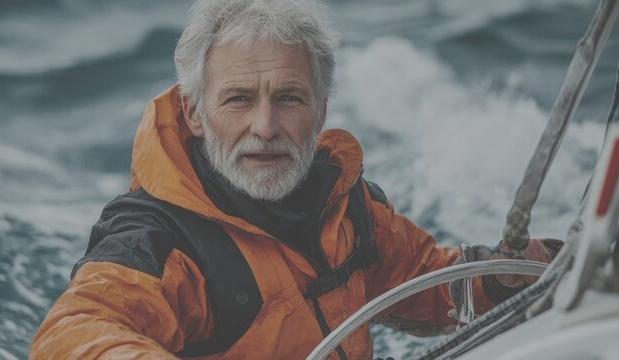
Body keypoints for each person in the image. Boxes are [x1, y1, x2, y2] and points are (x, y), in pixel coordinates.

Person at [29, 1, 561, 359]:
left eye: (289, 98)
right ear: (194, 114)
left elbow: (426, 283)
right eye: (238, 99)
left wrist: (499, 279)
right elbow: (75, 332)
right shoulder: (156, 238)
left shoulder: (347, 204)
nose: (265, 128)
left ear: (321, 109)